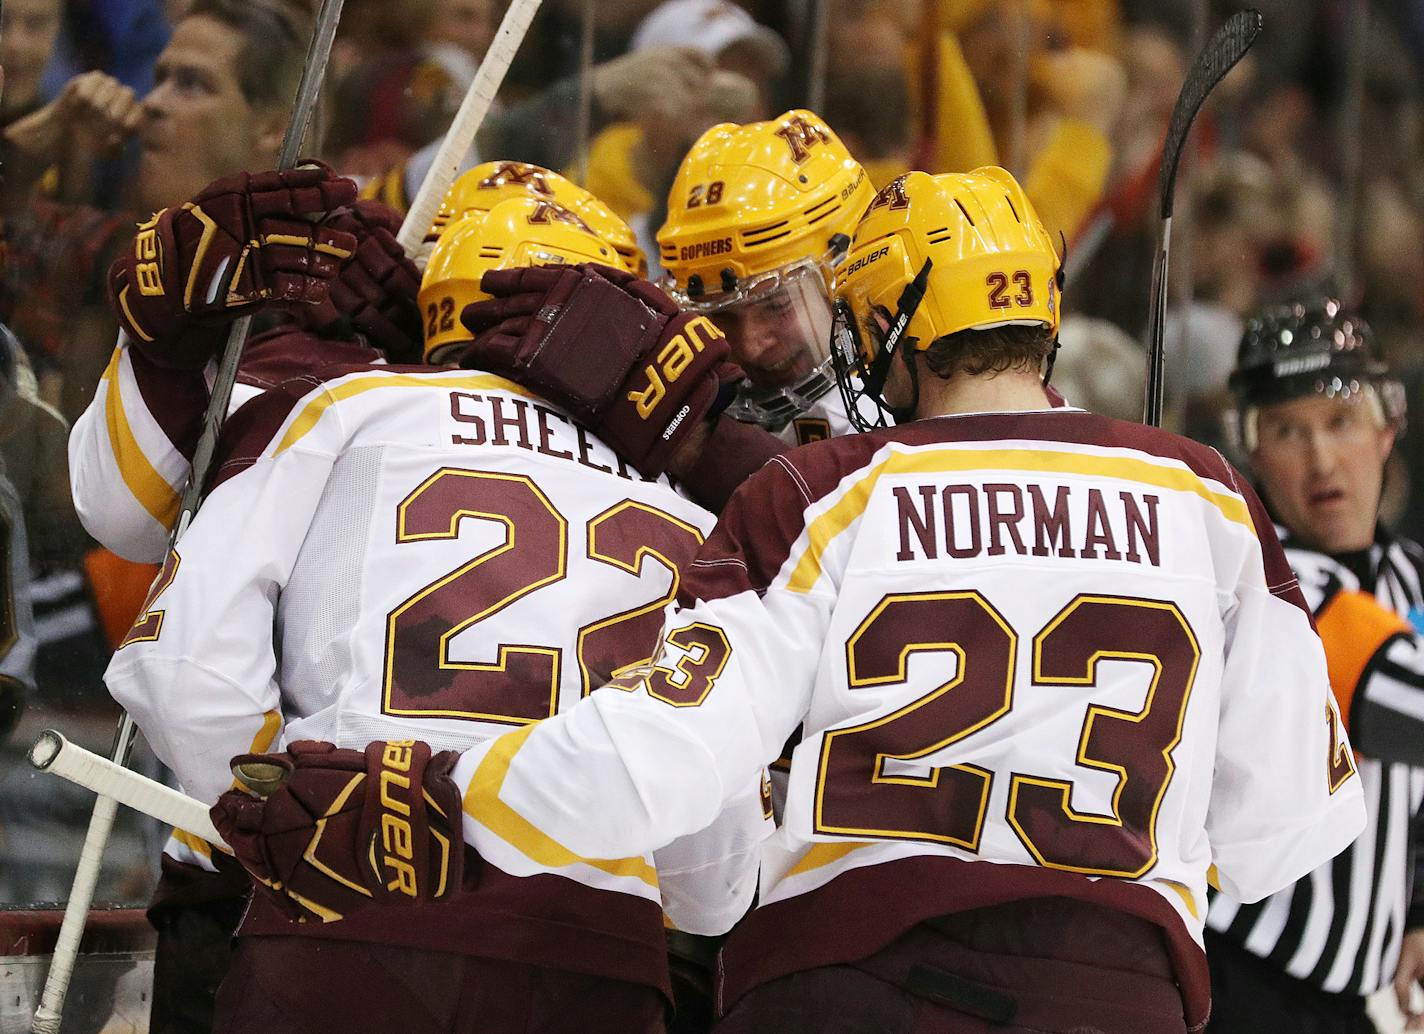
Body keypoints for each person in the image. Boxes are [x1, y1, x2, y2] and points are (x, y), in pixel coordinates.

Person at [211, 168, 1367, 1033]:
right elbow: (1287, 832)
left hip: (844, 986)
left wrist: (439, 800)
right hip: (1109, 993)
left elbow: (654, 757)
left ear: (892, 325)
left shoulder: (819, 491)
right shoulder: (1204, 496)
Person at [103, 198, 766, 1032]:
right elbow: (712, 885)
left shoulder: (345, 407)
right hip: (593, 961)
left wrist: (281, 811)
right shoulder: (697, 515)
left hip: (350, 924)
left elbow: (179, 668)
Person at [1204, 300, 1424, 1034]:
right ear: (1251, 450)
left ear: (1387, 427)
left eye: (1339, 423)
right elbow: (1402, 706)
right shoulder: (1270, 583)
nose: (1322, 460)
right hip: (1240, 979)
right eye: (1288, 432)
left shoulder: (1414, 581)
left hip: (1346, 1001)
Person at [656, 108, 876, 447]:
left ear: (852, 270)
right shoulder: (689, 422)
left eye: (777, 304)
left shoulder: (929, 404)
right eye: (720, 316)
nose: (751, 345)